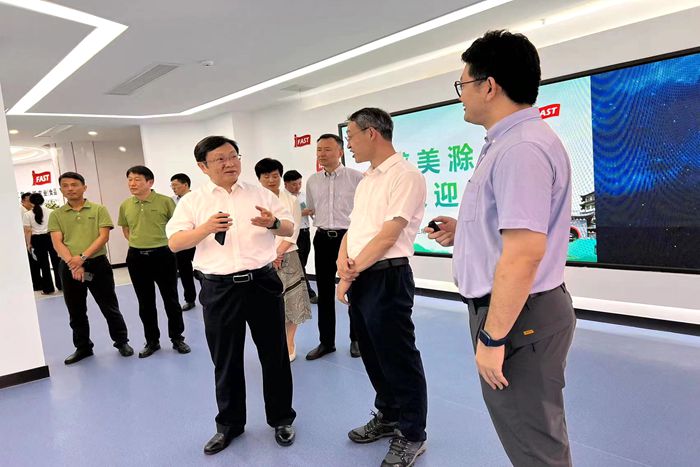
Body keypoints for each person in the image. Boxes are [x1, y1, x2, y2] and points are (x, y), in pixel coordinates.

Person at [427, 30, 576, 467]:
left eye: (463, 85)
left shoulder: (520, 149)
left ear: (488, 85)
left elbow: (525, 253)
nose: (461, 96)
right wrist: (465, 231)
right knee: (533, 436)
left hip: (517, 320)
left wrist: (493, 337)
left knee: (536, 448)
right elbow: (513, 231)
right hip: (518, 313)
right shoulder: (509, 143)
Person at [166, 136, 297, 455]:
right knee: (225, 359)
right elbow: (175, 242)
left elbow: (289, 227)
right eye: (220, 159)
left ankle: (282, 418)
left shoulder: (259, 193)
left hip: (262, 282)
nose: (230, 163)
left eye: (233, 156)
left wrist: (273, 223)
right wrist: (205, 229)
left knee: (275, 354)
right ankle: (229, 425)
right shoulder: (193, 201)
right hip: (219, 288)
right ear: (203, 166)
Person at [337, 108, 428, 467]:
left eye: (351, 137)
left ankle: (413, 433)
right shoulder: (367, 179)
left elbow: (389, 235)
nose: (348, 144)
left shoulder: (405, 175)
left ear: (371, 133)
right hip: (362, 274)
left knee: (398, 356)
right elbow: (355, 228)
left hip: (388, 276)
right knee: (373, 353)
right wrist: (342, 262)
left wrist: (349, 274)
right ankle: (389, 415)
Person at [48, 172, 133, 364]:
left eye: (74, 184)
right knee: (76, 310)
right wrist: (73, 263)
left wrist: (82, 258)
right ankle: (83, 347)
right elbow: (57, 242)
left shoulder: (98, 209)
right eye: (65, 185)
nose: (70, 189)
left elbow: (103, 237)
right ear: (61, 189)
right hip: (69, 267)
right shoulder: (56, 215)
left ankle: (121, 342)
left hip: (96, 265)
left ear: (84, 187)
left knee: (109, 306)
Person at [118, 166, 190, 358]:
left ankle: (177, 338)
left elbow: (177, 226)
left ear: (150, 182)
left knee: (171, 299)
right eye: (129, 179)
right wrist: (139, 242)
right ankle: (152, 341)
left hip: (163, 255)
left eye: (137, 179)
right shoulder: (126, 205)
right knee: (145, 302)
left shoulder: (165, 202)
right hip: (136, 257)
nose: (132, 183)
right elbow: (126, 229)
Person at [305, 133, 364, 360]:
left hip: (349, 239)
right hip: (322, 239)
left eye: (327, 149)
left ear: (340, 152)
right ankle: (326, 342)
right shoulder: (312, 180)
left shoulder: (357, 178)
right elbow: (312, 209)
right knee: (325, 292)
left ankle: (356, 339)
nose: (322, 154)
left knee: (354, 290)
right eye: (319, 150)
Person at [256, 160, 312, 362]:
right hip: (262, 258)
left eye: (275, 176)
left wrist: (278, 253)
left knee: (292, 300)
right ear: (259, 179)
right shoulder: (254, 199)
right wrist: (270, 255)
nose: (271, 180)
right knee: (267, 304)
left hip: (287, 254)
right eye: (266, 176)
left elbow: (293, 230)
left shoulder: (291, 200)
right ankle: (274, 341)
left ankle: (289, 341)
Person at [283, 170, 318, 303]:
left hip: (305, 232)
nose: (297, 187)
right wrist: (301, 213)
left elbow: (311, 212)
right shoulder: (282, 198)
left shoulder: (304, 196)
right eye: (294, 184)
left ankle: (299, 291)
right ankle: (308, 293)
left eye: (299, 183)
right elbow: (284, 217)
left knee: (302, 262)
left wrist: (312, 212)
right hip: (292, 234)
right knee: (299, 264)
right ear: (286, 184)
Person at [23, 193, 62, 294]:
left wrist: (28, 243)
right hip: (51, 237)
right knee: (56, 262)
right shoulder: (51, 212)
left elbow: (28, 231)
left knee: (43, 265)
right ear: (42, 200)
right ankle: (61, 286)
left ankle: (48, 289)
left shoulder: (27, 214)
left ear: (31, 202)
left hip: (37, 240)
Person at [170, 173, 197, 311]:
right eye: (172, 186)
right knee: (185, 272)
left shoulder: (197, 198)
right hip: (182, 241)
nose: (173, 188)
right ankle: (190, 299)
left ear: (185, 184)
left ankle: (208, 298)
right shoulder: (172, 201)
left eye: (175, 185)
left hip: (198, 239)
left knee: (201, 271)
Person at [21, 192, 43, 291]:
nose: (31, 202)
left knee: (37, 262)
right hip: (27, 240)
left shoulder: (31, 211)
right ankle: (37, 284)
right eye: (28, 200)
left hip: (32, 239)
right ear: (23, 201)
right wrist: (28, 243)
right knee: (33, 263)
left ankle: (39, 282)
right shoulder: (22, 211)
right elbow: (26, 229)